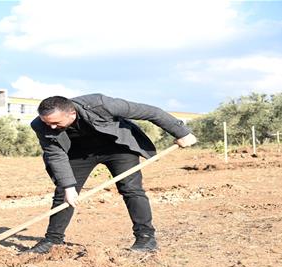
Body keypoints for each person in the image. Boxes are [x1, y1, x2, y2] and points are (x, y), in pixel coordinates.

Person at [24, 94, 197, 254]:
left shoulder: (100, 105)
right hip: (78, 153)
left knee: (131, 189)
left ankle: (146, 238)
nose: (52, 127)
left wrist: (182, 133)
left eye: (56, 122)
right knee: (63, 194)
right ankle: (52, 240)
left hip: (118, 147)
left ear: (71, 113)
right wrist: (69, 187)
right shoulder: (40, 125)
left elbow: (151, 112)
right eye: (47, 123)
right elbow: (55, 154)